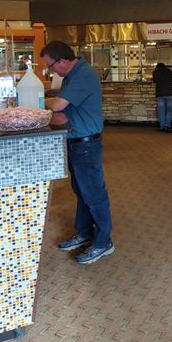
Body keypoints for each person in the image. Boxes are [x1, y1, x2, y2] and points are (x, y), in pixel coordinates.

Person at [40, 40, 114, 265]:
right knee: (82, 192)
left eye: (50, 66)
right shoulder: (73, 74)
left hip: (86, 145)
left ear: (62, 61)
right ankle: (84, 233)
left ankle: (103, 242)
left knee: (94, 194)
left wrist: (35, 99)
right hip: (76, 141)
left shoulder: (83, 74)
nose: (51, 70)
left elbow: (58, 105)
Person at [152, 62, 172, 132]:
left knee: (161, 111)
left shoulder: (155, 72)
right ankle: (167, 126)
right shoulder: (168, 71)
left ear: (157, 67)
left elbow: (154, 80)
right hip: (169, 94)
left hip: (159, 95)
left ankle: (162, 127)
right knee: (169, 111)